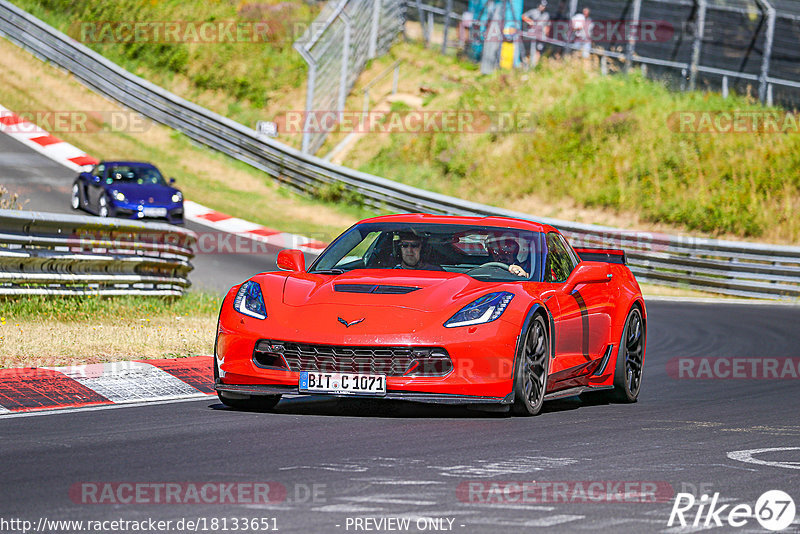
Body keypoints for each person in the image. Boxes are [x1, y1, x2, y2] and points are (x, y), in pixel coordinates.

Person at [521, 1, 550, 66]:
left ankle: (534, 66)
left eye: (544, 6)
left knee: (538, 50)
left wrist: (546, 34)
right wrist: (530, 21)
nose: (542, 7)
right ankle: (526, 64)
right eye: (541, 5)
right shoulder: (533, 11)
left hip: (540, 36)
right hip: (531, 34)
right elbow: (523, 16)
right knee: (529, 50)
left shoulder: (546, 15)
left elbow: (547, 25)